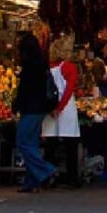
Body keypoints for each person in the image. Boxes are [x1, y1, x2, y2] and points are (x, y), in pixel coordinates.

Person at [12, 32, 58, 193]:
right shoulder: (41, 64)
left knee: (23, 143)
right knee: (31, 144)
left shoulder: (30, 67)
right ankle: (33, 182)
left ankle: (47, 170)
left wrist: (15, 105)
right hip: (41, 109)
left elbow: (24, 90)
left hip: (30, 109)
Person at [44, 35, 82, 187]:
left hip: (49, 108)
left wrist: (51, 108)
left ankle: (47, 177)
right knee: (70, 144)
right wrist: (60, 107)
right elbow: (68, 90)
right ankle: (72, 177)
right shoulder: (69, 68)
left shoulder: (47, 67)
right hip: (66, 109)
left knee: (50, 145)